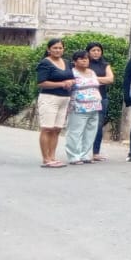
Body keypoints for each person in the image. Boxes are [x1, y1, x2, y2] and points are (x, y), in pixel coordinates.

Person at [34, 37, 74, 168]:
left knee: (57, 129)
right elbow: (42, 82)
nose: (58, 50)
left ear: (63, 49)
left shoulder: (67, 62)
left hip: (64, 99)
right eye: (55, 48)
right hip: (49, 98)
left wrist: (71, 82)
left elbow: (72, 78)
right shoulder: (45, 63)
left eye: (60, 48)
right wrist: (61, 84)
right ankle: (46, 159)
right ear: (48, 49)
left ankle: (52, 157)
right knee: (47, 128)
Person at [64, 51, 104, 164]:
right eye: (81, 59)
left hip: (94, 106)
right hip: (78, 106)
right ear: (74, 61)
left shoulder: (92, 72)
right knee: (75, 132)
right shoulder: (71, 73)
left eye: (86, 58)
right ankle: (74, 156)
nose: (85, 60)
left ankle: (85, 155)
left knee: (90, 132)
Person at [85, 42, 115, 162]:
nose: (96, 52)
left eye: (98, 50)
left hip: (101, 98)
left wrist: (91, 79)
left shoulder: (105, 65)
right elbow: (79, 78)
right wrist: (101, 80)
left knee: (98, 126)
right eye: (93, 50)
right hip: (84, 99)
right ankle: (83, 152)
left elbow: (110, 79)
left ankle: (95, 152)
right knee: (84, 125)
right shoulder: (84, 63)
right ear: (88, 52)